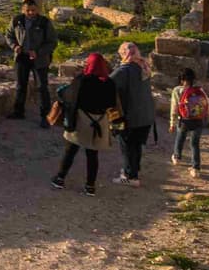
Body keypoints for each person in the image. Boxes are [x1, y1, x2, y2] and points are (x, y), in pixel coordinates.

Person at [52, 53, 118, 196]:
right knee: (92, 155)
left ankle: (60, 179)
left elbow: (70, 96)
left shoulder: (82, 80)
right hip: (99, 122)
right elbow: (112, 103)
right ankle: (90, 186)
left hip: (81, 120)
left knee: (70, 151)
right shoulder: (109, 83)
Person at [111, 42, 156, 185]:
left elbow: (107, 85)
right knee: (136, 145)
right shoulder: (144, 67)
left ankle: (130, 177)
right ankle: (134, 170)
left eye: (121, 53)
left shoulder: (124, 71)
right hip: (146, 116)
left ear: (125, 54)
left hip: (129, 117)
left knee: (127, 145)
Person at [7, 0, 57, 123]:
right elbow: (9, 35)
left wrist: (38, 52)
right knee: (20, 85)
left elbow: (52, 42)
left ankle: (45, 116)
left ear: (37, 9)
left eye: (33, 10)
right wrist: (14, 46)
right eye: (28, 10)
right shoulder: (17, 20)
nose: (31, 13)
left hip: (39, 59)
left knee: (42, 87)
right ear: (23, 10)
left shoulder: (44, 22)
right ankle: (18, 112)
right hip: (22, 57)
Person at [168, 67, 209, 176]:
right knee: (194, 144)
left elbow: (174, 108)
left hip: (184, 121)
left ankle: (177, 157)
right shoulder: (200, 91)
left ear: (181, 79)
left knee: (180, 138)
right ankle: (195, 168)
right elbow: (207, 107)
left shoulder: (177, 90)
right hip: (198, 121)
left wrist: (172, 124)